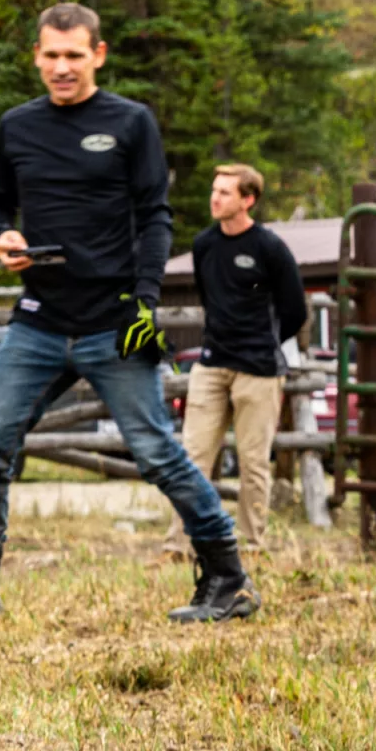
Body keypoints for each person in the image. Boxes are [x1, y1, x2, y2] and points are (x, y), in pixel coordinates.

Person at [0, 6, 257, 624]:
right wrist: (4, 236)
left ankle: (228, 580)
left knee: (156, 453)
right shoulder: (16, 127)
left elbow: (155, 216)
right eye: (51, 55)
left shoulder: (130, 122)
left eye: (74, 55)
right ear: (35, 55)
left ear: (99, 54)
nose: (62, 67)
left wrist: (143, 301)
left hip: (112, 320)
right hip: (37, 320)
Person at [161, 163, 307, 554]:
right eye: (214, 190)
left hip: (258, 370)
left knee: (253, 463)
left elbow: (295, 311)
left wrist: (263, 343)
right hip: (211, 365)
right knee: (192, 458)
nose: (215, 198)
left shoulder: (270, 248)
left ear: (248, 200)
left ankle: (250, 545)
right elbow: (211, 299)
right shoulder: (205, 245)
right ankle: (180, 545)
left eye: (225, 192)